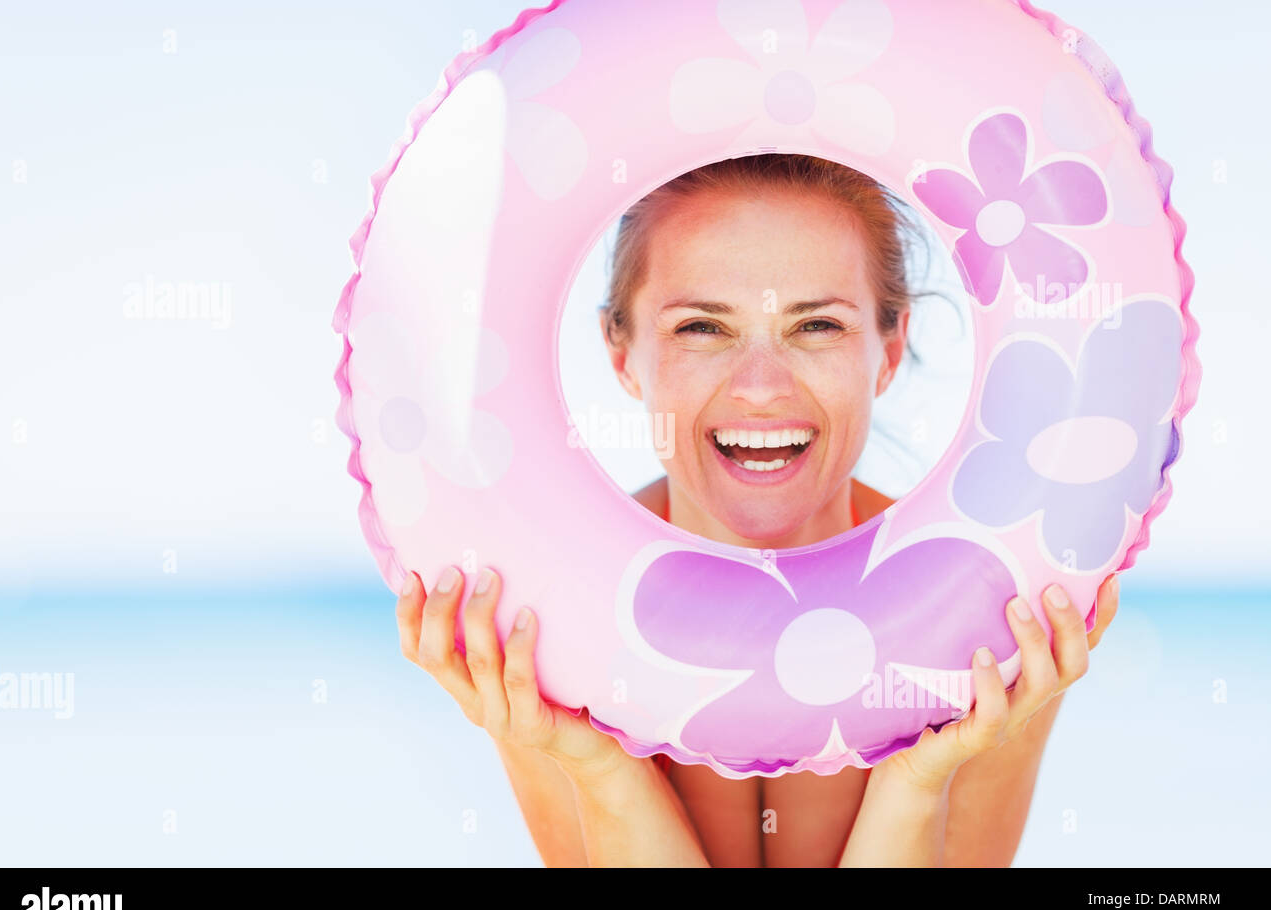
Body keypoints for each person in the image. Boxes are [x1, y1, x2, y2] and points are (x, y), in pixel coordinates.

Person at [395, 154, 1119, 867]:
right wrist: (602, 770)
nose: (763, 387)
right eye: (703, 328)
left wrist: (913, 784)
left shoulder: (979, 612)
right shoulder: (548, 613)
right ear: (621, 353)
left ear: (889, 349)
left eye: (818, 327)